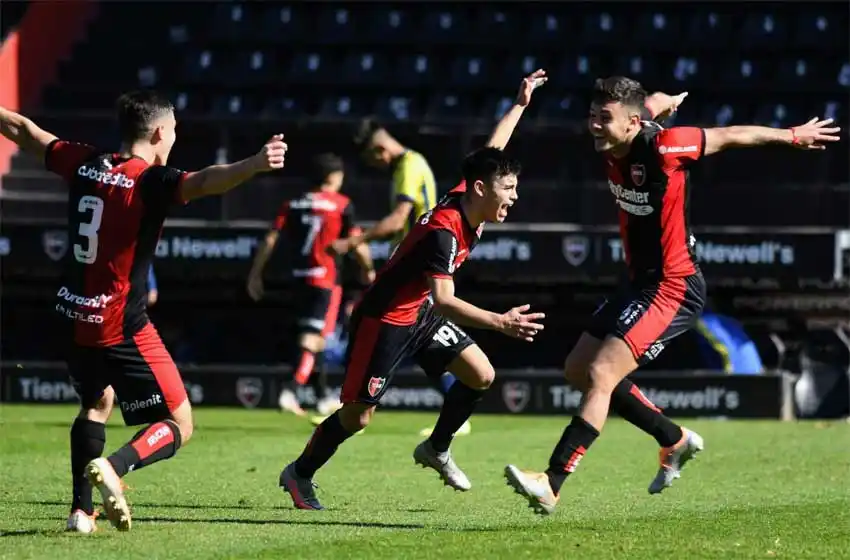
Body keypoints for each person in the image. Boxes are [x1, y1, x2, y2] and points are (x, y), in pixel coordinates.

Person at [504, 76, 841, 515]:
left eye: (604, 119)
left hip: (673, 287)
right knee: (576, 370)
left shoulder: (664, 148)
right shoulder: (622, 133)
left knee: (603, 372)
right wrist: (669, 99)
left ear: (631, 123)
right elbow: (655, 102)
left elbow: (731, 136)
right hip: (637, 282)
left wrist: (791, 135)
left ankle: (551, 481)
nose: (594, 127)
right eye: (591, 117)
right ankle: (674, 439)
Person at [0, 90, 288, 532]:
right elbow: (208, 181)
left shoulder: (85, 161)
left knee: (97, 402)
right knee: (179, 421)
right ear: (158, 132)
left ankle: (81, 513)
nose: (174, 138)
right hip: (120, 321)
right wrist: (253, 163)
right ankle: (114, 467)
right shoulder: (151, 180)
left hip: (72, 312)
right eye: (173, 131)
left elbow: (23, 129)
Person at [280, 71, 549, 511]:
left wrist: (519, 104)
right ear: (482, 189)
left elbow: (493, 152)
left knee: (480, 374)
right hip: (384, 319)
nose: (514, 197)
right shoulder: (444, 231)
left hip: (418, 314)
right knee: (357, 416)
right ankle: (299, 473)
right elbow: (445, 299)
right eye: (509, 188)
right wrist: (500, 322)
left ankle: (436, 448)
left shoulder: (473, 197)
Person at [247, 153, 375, 418]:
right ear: (333, 177)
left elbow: (271, 239)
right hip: (325, 280)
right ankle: (291, 390)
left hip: (298, 278)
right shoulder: (341, 205)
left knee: (312, 338)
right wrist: (369, 269)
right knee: (314, 338)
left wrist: (255, 274)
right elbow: (357, 242)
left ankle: (321, 397)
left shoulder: (292, 203)